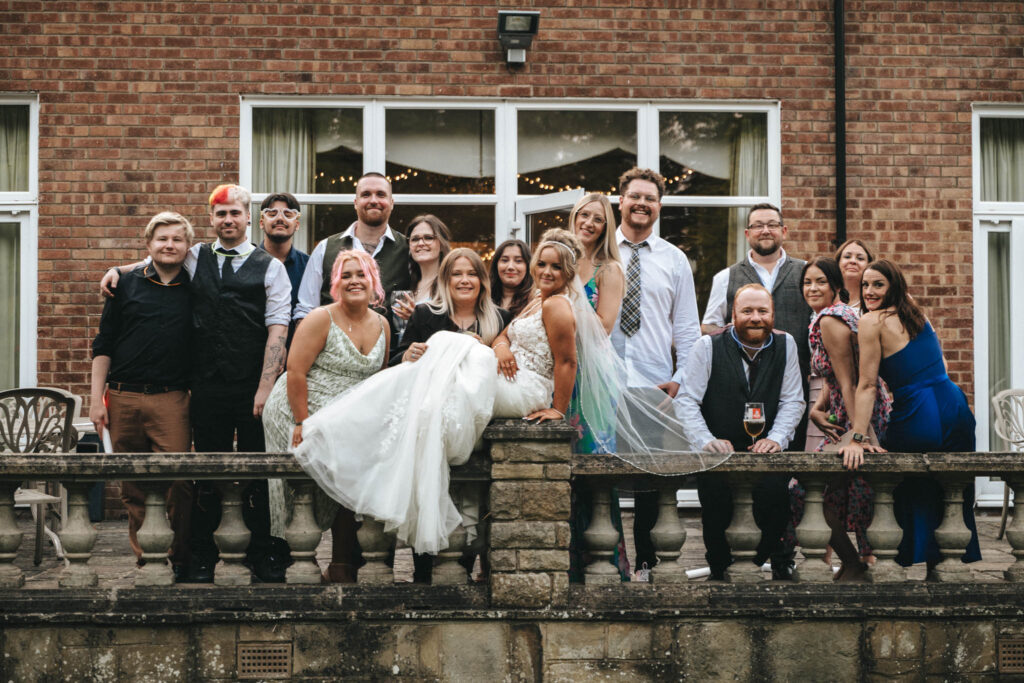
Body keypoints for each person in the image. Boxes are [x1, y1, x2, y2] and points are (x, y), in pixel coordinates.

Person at [294, 230, 582, 556]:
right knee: (447, 353)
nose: (546, 271)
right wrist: (500, 347)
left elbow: (567, 361)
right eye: (541, 264)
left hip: (528, 388)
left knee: (451, 347)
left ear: (568, 272)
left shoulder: (557, 305)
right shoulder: (535, 301)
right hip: (510, 375)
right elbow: (505, 336)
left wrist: (558, 409)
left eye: (555, 267)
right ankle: (352, 427)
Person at [100, 183, 293, 583]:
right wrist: (118, 271)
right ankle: (202, 555)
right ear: (211, 219)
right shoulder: (195, 256)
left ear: (247, 217)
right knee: (205, 472)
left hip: (251, 385)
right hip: (204, 385)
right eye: (220, 214)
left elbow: (277, 330)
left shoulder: (270, 267)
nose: (228, 220)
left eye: (235, 213)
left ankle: (264, 553)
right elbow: (158, 260)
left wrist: (265, 387)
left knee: (260, 469)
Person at [839, 259, 981, 568]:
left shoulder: (870, 321)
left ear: (893, 286)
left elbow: (866, 384)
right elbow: (940, 365)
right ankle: (943, 567)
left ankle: (907, 560)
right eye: (865, 285)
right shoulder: (917, 313)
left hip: (917, 408)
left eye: (878, 284)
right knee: (950, 487)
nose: (869, 291)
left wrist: (857, 438)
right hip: (954, 403)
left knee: (907, 486)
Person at [262, 249, 390, 583]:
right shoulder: (321, 318)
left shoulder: (384, 324)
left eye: (360, 274)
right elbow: (295, 372)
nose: (354, 281)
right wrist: (303, 422)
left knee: (349, 481)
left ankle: (341, 564)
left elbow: (380, 378)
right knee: (305, 486)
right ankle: (299, 561)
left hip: (346, 415)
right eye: (345, 275)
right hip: (298, 408)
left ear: (373, 280)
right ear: (335, 283)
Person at [89, 212, 195, 581]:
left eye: (177, 239)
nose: (169, 245)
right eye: (162, 239)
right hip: (123, 397)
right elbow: (103, 343)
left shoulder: (196, 285)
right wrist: (94, 399)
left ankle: (178, 557)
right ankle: (146, 559)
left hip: (172, 398)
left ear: (188, 247)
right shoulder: (125, 284)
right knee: (133, 485)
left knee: (180, 481)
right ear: (149, 244)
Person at [676, 284, 806, 580]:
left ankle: (764, 561)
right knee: (716, 507)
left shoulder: (786, 345)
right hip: (719, 452)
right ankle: (719, 570)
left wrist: (776, 438)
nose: (755, 317)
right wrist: (706, 441)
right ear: (732, 315)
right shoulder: (707, 346)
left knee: (775, 502)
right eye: (747, 311)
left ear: (773, 314)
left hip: (767, 452)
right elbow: (687, 400)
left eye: (762, 311)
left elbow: (792, 399)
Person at [609, 167, 701, 577]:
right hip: (603, 383)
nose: (642, 204)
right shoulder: (599, 251)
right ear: (621, 201)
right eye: (635, 197)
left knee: (649, 483)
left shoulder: (674, 259)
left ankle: (646, 566)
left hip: (653, 386)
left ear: (658, 206)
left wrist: (680, 381)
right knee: (600, 479)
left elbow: (687, 329)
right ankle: (607, 566)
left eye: (650, 198)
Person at [802, 257, 892, 579]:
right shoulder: (829, 316)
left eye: (820, 282)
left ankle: (856, 564)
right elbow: (833, 379)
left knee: (806, 491)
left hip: (857, 415)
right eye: (807, 282)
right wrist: (816, 409)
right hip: (847, 413)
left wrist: (860, 436)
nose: (813, 288)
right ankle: (855, 564)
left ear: (836, 287)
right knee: (836, 493)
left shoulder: (830, 319)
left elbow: (849, 381)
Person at [701, 203, 812, 447]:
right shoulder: (725, 277)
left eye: (772, 225)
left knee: (790, 459)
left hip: (793, 387)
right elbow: (709, 326)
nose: (765, 230)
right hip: (739, 387)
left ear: (784, 231)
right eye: (758, 225)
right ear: (747, 233)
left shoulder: (806, 273)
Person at [564, 192, 628, 582]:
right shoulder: (561, 260)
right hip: (559, 372)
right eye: (583, 215)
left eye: (598, 219)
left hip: (591, 376)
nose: (588, 223)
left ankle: (604, 565)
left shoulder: (609, 270)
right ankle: (565, 565)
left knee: (594, 467)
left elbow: (604, 325)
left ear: (606, 227)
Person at [294, 172, 411, 322]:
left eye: (381, 195)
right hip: (333, 344)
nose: (373, 200)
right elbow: (305, 310)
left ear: (392, 203)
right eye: (366, 194)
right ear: (356, 203)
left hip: (390, 345)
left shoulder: (408, 250)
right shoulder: (325, 248)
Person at [393, 248, 512, 367]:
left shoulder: (501, 318)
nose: (465, 280)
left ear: (482, 281)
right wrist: (407, 355)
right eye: (456, 274)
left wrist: (486, 352)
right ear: (445, 280)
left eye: (472, 274)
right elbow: (394, 360)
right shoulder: (423, 314)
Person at [256, 192, 309, 346]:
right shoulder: (246, 263)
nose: (280, 219)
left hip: (297, 355)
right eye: (272, 214)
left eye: (288, 214)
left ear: (297, 225)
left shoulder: (309, 266)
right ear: (261, 223)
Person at [390, 214, 453, 326]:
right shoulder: (405, 285)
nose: (421, 243)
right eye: (415, 239)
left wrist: (417, 318)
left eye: (428, 238)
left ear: (442, 243)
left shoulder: (450, 285)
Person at [489, 239, 533, 318]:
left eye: (518, 261)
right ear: (496, 265)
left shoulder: (536, 300)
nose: (510, 267)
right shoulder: (483, 297)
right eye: (505, 260)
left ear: (528, 266)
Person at [834, 238, 875, 310]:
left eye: (860, 258)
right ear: (838, 262)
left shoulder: (875, 300)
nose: (853, 261)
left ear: (869, 264)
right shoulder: (826, 297)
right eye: (847, 257)